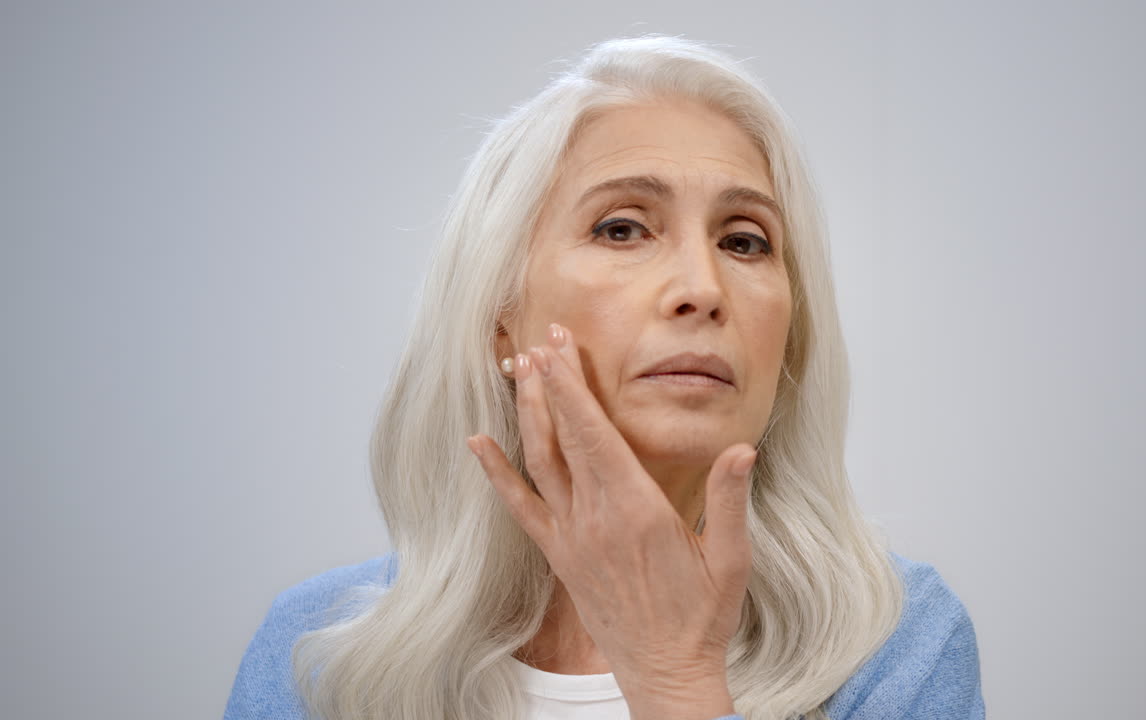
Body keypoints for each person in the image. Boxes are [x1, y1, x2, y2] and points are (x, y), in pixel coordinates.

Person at [224, 34, 984, 720]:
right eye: (622, 228)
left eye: (746, 241)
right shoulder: (320, 656)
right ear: (500, 317)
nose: (704, 287)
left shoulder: (897, 644)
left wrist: (677, 683)